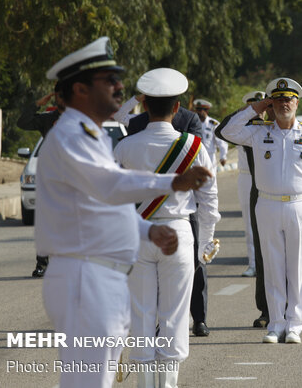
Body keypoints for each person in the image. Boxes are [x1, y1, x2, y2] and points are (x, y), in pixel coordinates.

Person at [36, 37, 213, 388]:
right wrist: (171, 184)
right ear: (81, 90)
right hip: (82, 272)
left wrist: (147, 231)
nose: (120, 87)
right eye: (110, 80)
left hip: (98, 270)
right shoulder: (73, 136)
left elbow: (103, 201)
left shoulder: (94, 135)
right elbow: (110, 187)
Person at [113, 68, 220, 387]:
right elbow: (209, 200)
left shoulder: (125, 147)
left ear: (144, 107)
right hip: (178, 234)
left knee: (142, 316)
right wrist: (206, 244)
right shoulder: (194, 146)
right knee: (174, 318)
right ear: (177, 108)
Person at [219, 77, 302, 344]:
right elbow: (227, 131)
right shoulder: (258, 132)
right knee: (272, 266)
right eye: (278, 100)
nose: (284, 104)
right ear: (271, 103)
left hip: (300, 205)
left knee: (298, 267)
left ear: (297, 102)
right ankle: (276, 323)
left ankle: (294, 324)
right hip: (267, 204)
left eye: (288, 99)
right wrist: (256, 108)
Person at [216, 95, 274, 329]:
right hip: (261, 196)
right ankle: (267, 309)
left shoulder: (298, 131)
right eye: (271, 104)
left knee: (289, 259)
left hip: (292, 200)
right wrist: (253, 109)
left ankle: (291, 310)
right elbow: (222, 130)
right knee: (263, 257)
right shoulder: (254, 132)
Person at [16, 83, 66, 277]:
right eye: (59, 95)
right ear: (55, 97)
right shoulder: (48, 120)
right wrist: (38, 104)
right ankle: (42, 265)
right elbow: (23, 122)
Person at [237, 90, 265, 278]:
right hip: (246, 177)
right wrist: (245, 112)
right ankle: (253, 264)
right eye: (253, 105)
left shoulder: (271, 126)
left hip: (265, 176)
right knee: (249, 222)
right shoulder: (239, 128)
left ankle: (268, 264)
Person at [193, 99, 228, 172]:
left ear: (206, 111)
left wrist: (223, 157)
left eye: (200, 110)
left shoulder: (213, 124)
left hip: (210, 156)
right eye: (197, 109)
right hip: (196, 156)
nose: (198, 112)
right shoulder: (192, 123)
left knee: (210, 179)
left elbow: (221, 141)